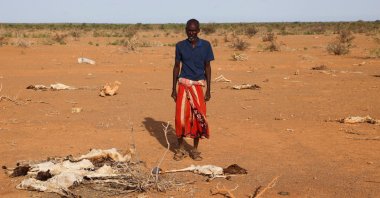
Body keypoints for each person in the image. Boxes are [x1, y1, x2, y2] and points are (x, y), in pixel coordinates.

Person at [171, 19, 214, 161]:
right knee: (180, 118)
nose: (191, 33)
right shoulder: (180, 46)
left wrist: (208, 89)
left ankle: (195, 150)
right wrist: (173, 89)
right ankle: (181, 149)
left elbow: (207, 67)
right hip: (183, 85)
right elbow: (176, 67)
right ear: (185, 30)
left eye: (194, 30)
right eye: (189, 30)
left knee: (198, 117)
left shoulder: (206, 45)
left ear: (199, 30)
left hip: (198, 86)